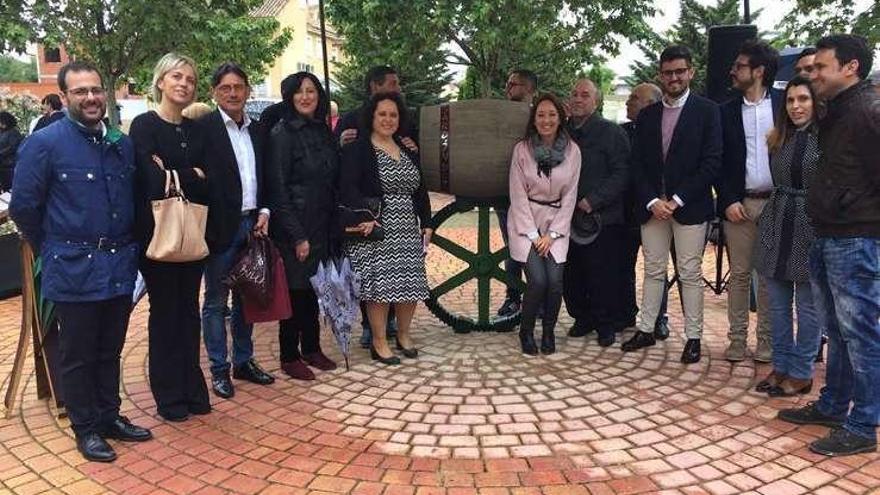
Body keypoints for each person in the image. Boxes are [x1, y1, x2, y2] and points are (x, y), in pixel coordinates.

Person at [10, 61, 152, 462]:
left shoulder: (119, 143)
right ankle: (86, 428)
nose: (90, 98)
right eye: (80, 92)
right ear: (65, 96)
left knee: (110, 348)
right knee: (78, 353)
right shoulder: (45, 143)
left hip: (117, 265)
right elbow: (24, 208)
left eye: (95, 90)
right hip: (73, 265)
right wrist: (52, 248)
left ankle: (110, 417)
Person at [778, 34, 880, 457]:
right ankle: (835, 405)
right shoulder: (837, 111)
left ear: (851, 66)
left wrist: (856, 208)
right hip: (828, 234)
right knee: (835, 332)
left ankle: (862, 424)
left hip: (856, 238)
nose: (811, 73)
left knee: (862, 335)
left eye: (820, 67)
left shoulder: (869, 112)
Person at [622, 45, 722, 364]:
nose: (674, 77)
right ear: (660, 75)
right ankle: (646, 329)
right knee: (652, 270)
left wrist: (676, 200)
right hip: (652, 208)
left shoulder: (708, 111)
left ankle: (693, 337)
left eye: (680, 71)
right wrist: (653, 200)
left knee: (689, 272)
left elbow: (711, 162)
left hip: (689, 206)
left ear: (691, 72)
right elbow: (636, 164)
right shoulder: (648, 115)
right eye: (668, 72)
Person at [130, 53, 211, 422]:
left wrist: (175, 172)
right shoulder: (144, 126)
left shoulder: (197, 129)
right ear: (160, 81)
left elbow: (209, 176)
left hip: (193, 232)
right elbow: (148, 179)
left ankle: (193, 386)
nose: (184, 84)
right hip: (157, 236)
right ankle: (168, 395)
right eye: (176, 76)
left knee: (189, 312)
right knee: (165, 314)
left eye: (190, 79)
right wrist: (190, 173)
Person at [199, 62, 275, 399]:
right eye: (225, 88)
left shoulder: (258, 131)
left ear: (247, 91)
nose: (232, 93)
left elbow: (268, 178)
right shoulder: (202, 129)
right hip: (218, 228)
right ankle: (219, 369)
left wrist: (265, 211)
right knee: (216, 301)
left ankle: (244, 361)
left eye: (238, 87)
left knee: (248, 297)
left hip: (253, 225)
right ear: (215, 92)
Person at [339, 92, 432, 365]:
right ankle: (379, 341)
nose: (388, 119)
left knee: (409, 284)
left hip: (406, 226)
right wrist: (365, 215)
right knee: (379, 288)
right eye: (383, 114)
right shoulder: (358, 149)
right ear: (372, 116)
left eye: (393, 114)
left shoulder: (407, 149)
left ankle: (403, 335)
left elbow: (420, 189)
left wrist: (427, 222)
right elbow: (347, 188)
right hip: (375, 227)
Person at [335, 66, 416, 348]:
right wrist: (339, 143)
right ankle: (374, 331)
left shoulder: (404, 132)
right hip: (375, 220)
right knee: (376, 281)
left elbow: (418, 178)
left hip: (405, 223)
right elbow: (343, 176)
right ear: (375, 86)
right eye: (393, 84)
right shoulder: (350, 122)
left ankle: (397, 331)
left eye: (392, 114)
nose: (398, 88)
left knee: (405, 280)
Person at [267, 72, 339, 380]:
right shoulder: (282, 134)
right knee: (295, 291)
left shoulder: (322, 131)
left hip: (321, 222)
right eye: (299, 92)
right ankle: (289, 353)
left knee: (314, 289)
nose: (306, 97)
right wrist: (297, 235)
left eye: (311, 91)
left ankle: (311, 347)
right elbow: (278, 189)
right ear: (290, 97)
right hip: (295, 226)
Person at [752, 76, 821, 397]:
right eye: (791, 100)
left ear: (815, 102)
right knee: (777, 306)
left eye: (803, 99)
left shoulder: (827, 138)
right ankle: (780, 366)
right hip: (778, 224)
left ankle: (802, 371)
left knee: (808, 308)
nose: (796, 106)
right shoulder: (778, 138)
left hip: (811, 225)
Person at [717, 40, 781, 363]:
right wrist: (727, 199)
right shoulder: (725, 111)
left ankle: (767, 343)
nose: (732, 70)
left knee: (768, 277)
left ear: (758, 71)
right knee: (739, 274)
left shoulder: (783, 105)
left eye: (739, 66)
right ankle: (737, 340)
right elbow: (718, 161)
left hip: (775, 204)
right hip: (738, 205)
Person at [508, 93, 580, 355]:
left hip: (556, 223)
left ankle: (548, 331)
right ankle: (526, 331)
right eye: (541, 115)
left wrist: (552, 234)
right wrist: (533, 233)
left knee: (555, 281)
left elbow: (570, 196)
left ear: (560, 118)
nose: (546, 120)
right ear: (534, 119)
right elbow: (517, 194)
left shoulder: (573, 151)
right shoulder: (522, 150)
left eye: (552, 114)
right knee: (538, 280)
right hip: (525, 222)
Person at [563, 79, 630, 347]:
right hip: (566, 218)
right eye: (574, 94)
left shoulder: (611, 133)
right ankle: (583, 318)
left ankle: (606, 325)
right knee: (572, 273)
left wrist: (593, 200)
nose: (578, 99)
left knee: (601, 274)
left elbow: (622, 172)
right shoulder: (563, 132)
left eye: (585, 95)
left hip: (601, 218)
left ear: (596, 101)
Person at [621, 83, 671, 340]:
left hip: (657, 210)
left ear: (651, 104)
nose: (628, 102)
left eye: (634, 98)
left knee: (656, 266)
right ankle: (627, 311)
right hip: (627, 211)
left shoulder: (664, 132)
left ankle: (659, 317)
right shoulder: (621, 131)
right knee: (623, 264)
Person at [496, 69, 538, 320]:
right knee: (513, 249)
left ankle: (538, 300)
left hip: (539, 197)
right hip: (506, 196)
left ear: (530, 89)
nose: (509, 88)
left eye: (515, 84)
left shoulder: (541, 115)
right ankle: (513, 299)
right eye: (508, 83)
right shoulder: (500, 116)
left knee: (539, 248)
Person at [0, 111, 22, 191]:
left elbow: (13, 147)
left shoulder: (14, 132)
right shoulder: (2, 131)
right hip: (2, 164)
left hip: (9, 165)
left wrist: (1, 153)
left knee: (7, 186)